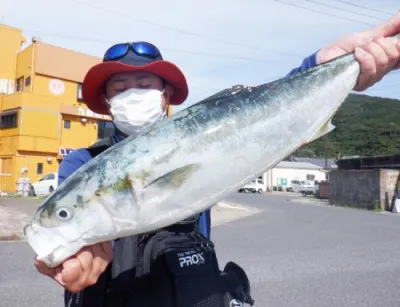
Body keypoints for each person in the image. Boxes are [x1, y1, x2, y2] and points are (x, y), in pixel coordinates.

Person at [35, 12, 400, 305]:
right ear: (107, 100)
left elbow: (255, 115)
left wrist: (321, 64)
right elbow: (78, 235)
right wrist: (69, 257)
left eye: (144, 85)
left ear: (165, 96)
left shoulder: (200, 134)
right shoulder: (82, 164)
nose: (133, 93)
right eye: (120, 87)